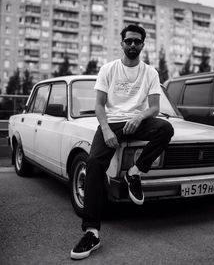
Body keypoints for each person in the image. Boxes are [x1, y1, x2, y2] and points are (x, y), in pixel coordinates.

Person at [70, 24, 174, 260]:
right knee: (95, 163)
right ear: (122, 43)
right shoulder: (109, 69)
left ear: (143, 45)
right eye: (129, 41)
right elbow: (99, 105)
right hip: (113, 123)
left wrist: (139, 116)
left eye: (137, 42)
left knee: (166, 128)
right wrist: (106, 129)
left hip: (137, 122)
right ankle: (92, 232)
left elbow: (155, 108)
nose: (133, 45)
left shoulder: (150, 72)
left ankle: (134, 173)